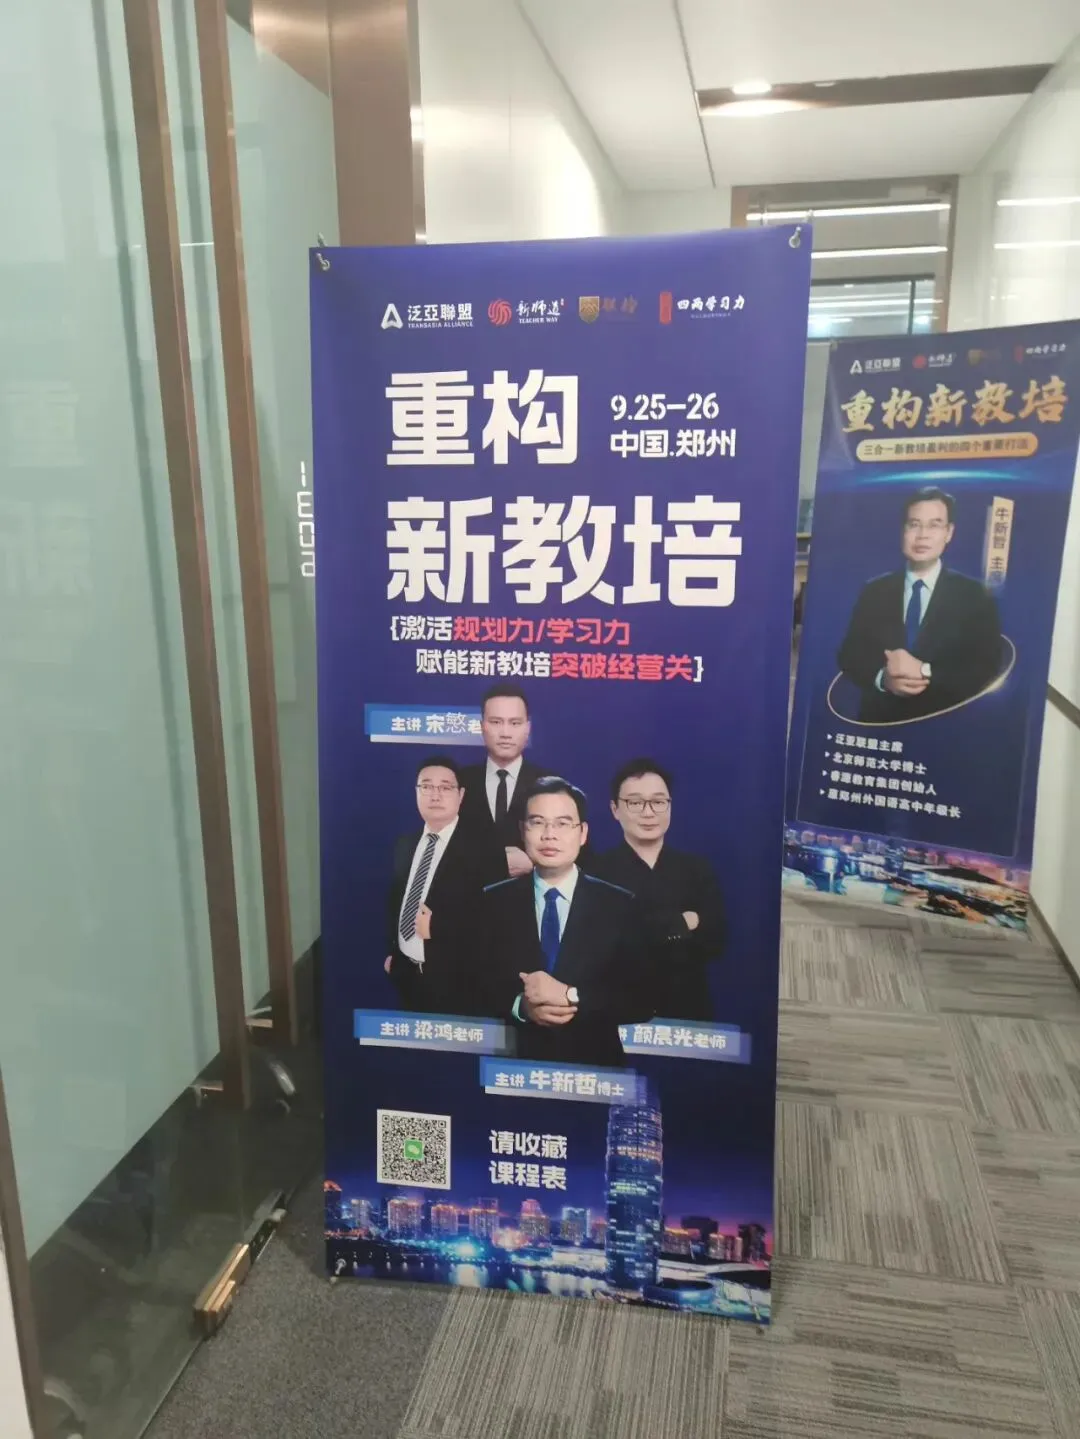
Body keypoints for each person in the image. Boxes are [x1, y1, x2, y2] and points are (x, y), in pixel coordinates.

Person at [480, 777, 652, 1067]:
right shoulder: (492, 901)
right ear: (522, 831)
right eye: (538, 823)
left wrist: (571, 995)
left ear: (582, 833)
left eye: (562, 824)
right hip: (513, 1068)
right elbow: (474, 984)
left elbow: (642, 999)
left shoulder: (619, 904)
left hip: (594, 1069)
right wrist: (521, 1006)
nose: (550, 835)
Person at [837, 486, 1003, 723]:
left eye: (934, 525)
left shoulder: (975, 595)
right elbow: (850, 654)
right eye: (914, 524)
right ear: (903, 531)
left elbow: (986, 665)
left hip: (946, 723)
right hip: (880, 725)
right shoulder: (874, 590)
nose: (922, 535)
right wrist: (884, 678)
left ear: (949, 532)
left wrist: (924, 671)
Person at [593, 759, 724, 1020]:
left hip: (687, 1012)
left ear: (670, 806)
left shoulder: (697, 869)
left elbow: (717, 940)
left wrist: (642, 928)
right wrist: (683, 922)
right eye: (635, 803)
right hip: (616, 1015)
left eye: (658, 801)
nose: (648, 812)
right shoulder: (596, 871)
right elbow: (601, 947)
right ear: (615, 809)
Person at [385, 755, 502, 1015]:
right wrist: (394, 952)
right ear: (416, 792)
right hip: (408, 977)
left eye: (445, 787)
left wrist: (438, 927)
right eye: (426, 786)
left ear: (461, 795)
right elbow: (396, 901)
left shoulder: (484, 850)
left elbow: (497, 919)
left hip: (459, 984)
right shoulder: (405, 844)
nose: (435, 795)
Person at [459, 683, 550, 878]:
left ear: (528, 728)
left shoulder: (550, 786)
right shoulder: (459, 783)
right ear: (482, 726)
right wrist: (493, 863)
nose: (505, 733)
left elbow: (577, 857)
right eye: (496, 722)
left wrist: (535, 865)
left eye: (515, 723)